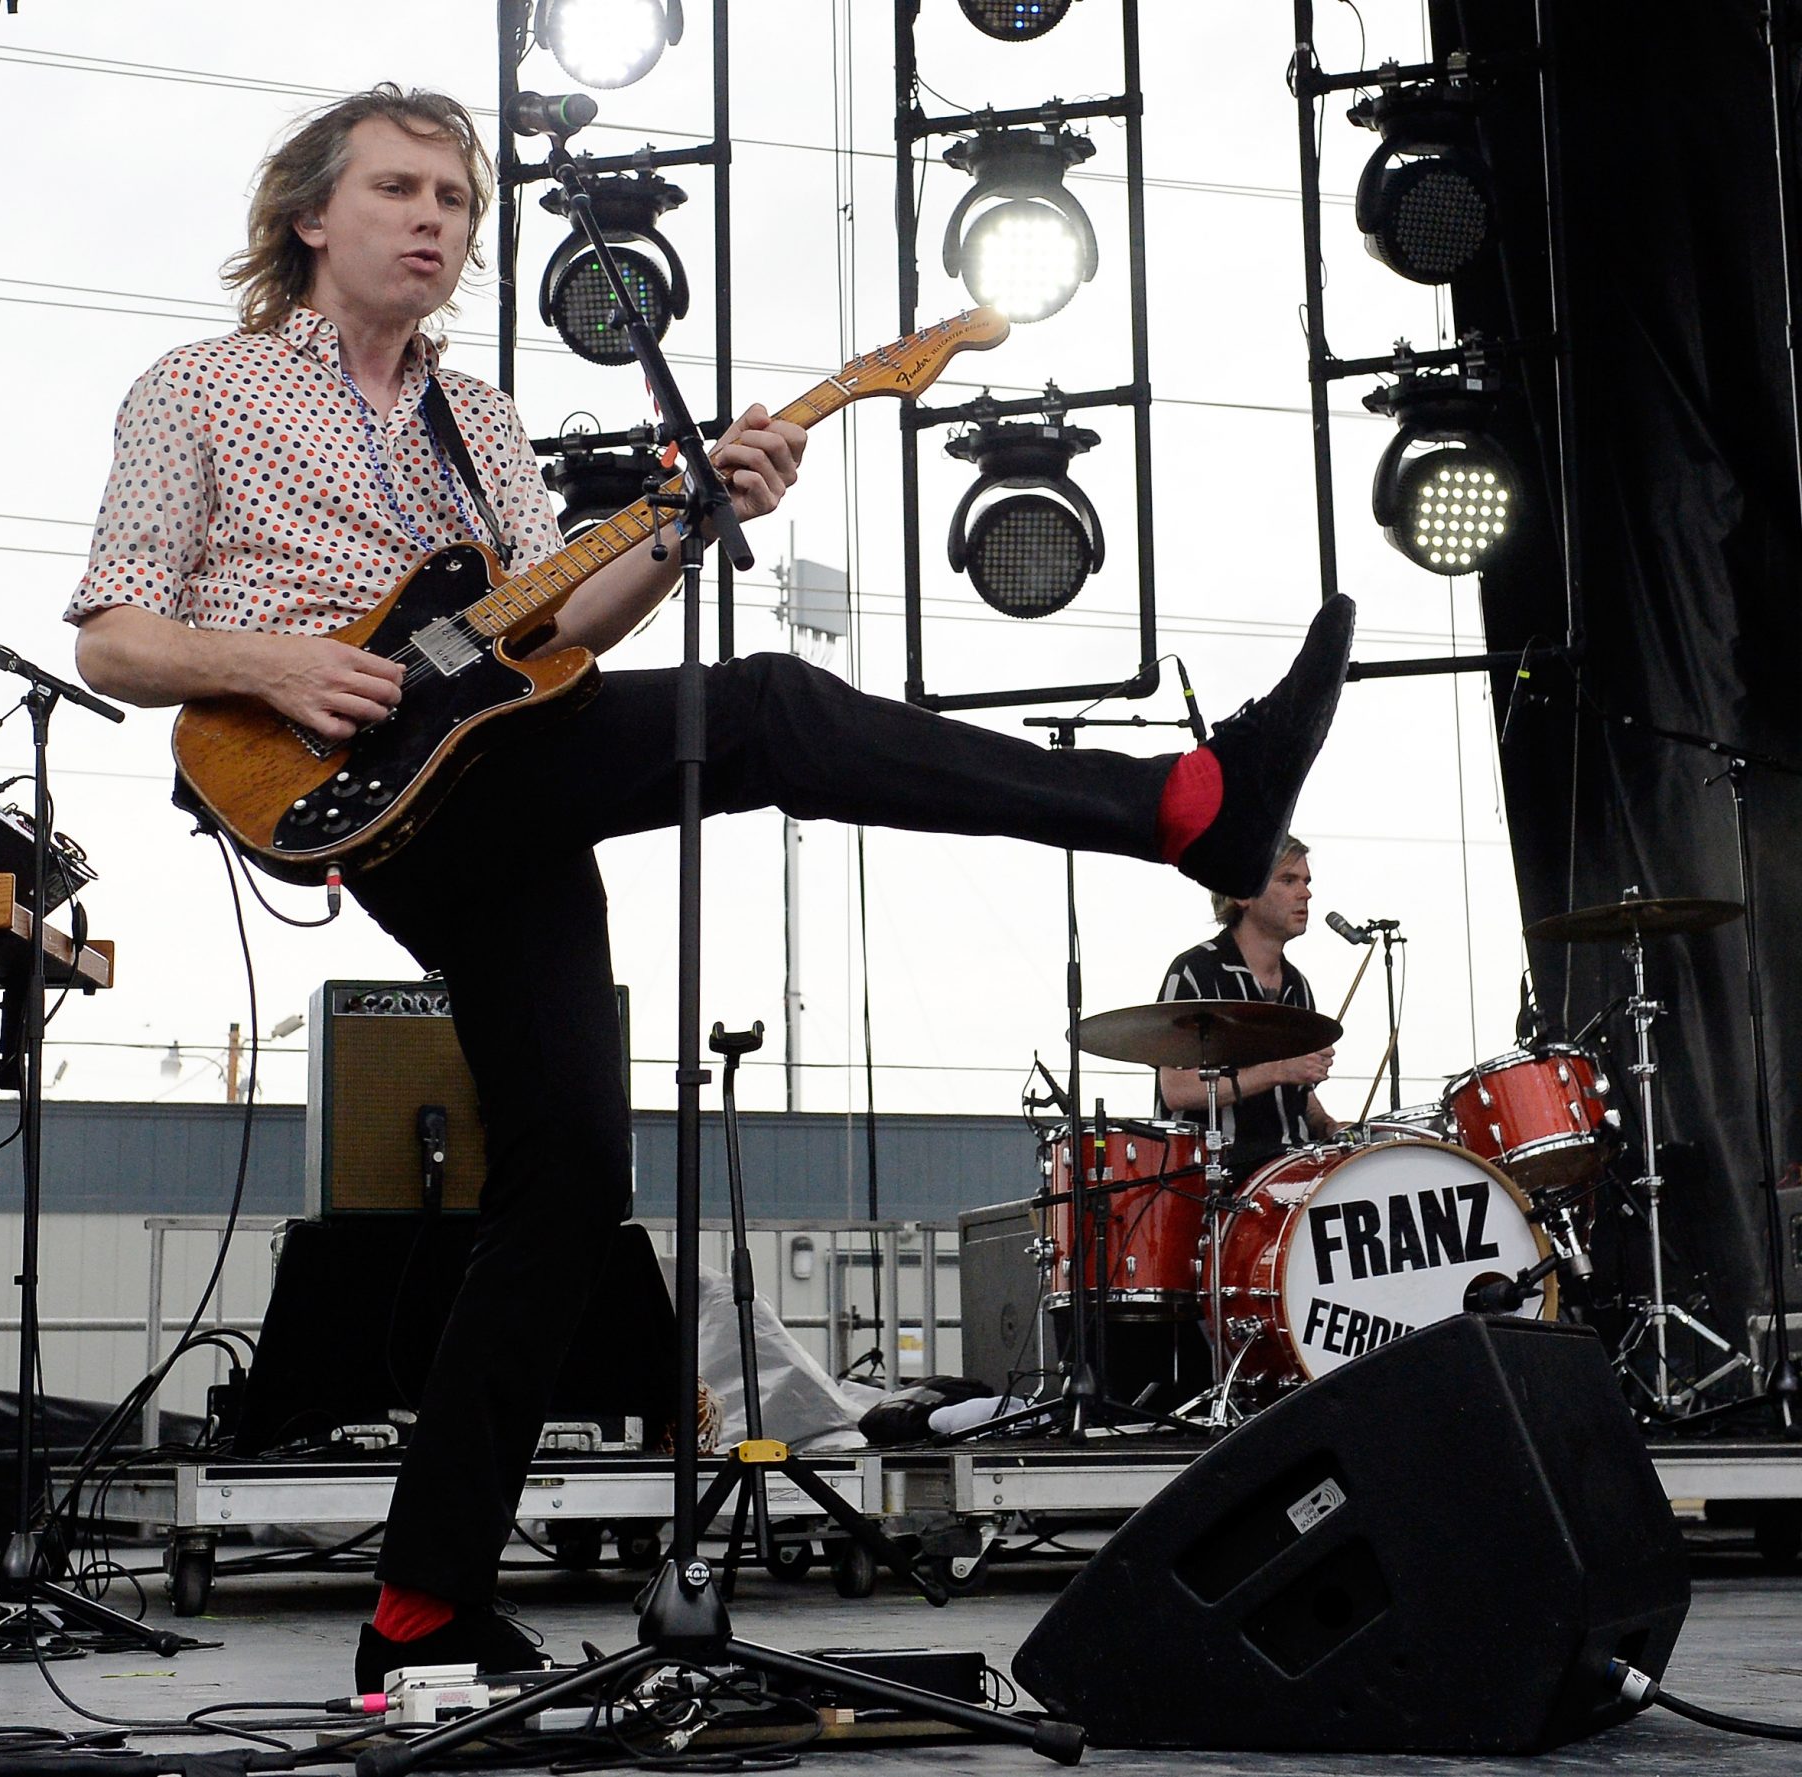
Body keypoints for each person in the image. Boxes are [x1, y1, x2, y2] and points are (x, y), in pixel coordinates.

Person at [65, 85, 1354, 1690]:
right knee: (769, 712)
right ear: (312, 215)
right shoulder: (201, 387)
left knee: (567, 1186)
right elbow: (113, 633)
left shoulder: (480, 418)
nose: (433, 220)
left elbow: (558, 633)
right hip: (337, 777)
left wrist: (690, 521)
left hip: (500, 769)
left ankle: (420, 1608)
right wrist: (278, 664)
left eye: (455, 201)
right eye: (398, 189)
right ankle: (1182, 805)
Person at [1155, 834, 1339, 1185]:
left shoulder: (1297, 986)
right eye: (1288, 880)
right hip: (1215, 1181)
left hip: (1292, 1176)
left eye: (1306, 881)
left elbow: (1297, 1096)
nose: (1305, 893)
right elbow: (1177, 1090)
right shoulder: (1196, 972)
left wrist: (1327, 1125)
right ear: (1242, 894)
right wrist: (1279, 1070)